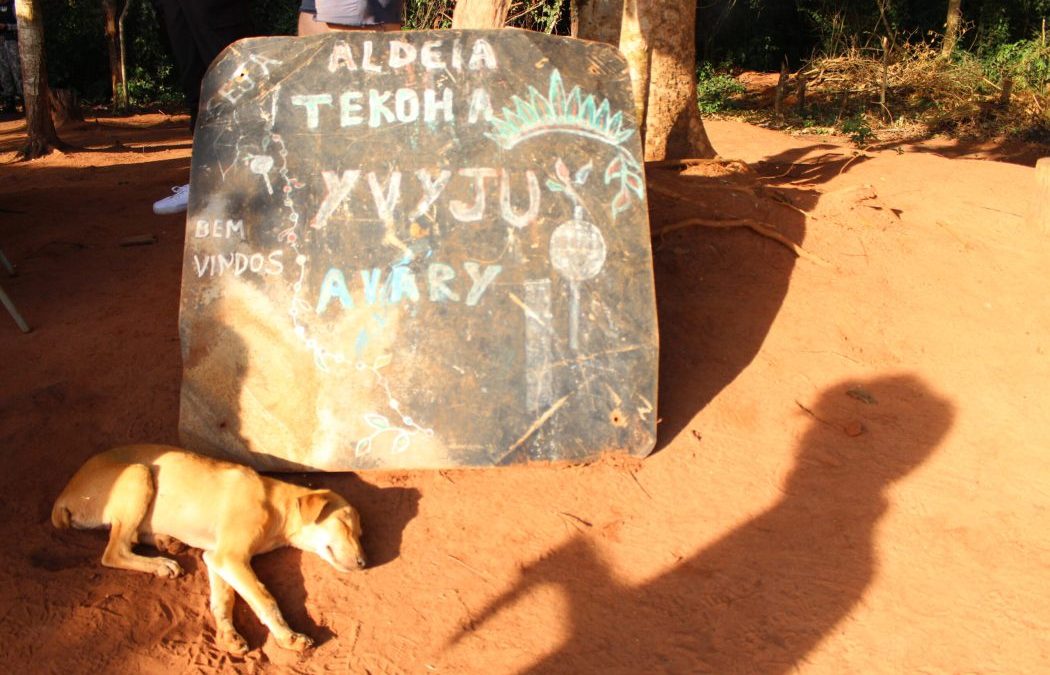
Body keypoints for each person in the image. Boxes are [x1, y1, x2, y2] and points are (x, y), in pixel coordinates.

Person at [151, 0, 255, 215]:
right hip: (176, 7)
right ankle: (203, 184)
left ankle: (251, 183)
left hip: (214, 9)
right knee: (195, 87)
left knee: (235, 84)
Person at [0, 0, 21, 114]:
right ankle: (9, 102)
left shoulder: (14, 5)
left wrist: (7, 26)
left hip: (12, 42)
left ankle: (24, 99)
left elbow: (22, 24)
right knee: (4, 73)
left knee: (17, 71)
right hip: (1, 44)